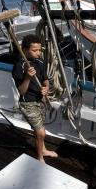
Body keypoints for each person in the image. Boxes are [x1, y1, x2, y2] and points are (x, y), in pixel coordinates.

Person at [12, 34, 58, 162]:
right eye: (34, 50)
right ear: (25, 50)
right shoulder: (19, 66)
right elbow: (21, 91)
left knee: (40, 127)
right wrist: (27, 77)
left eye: (39, 50)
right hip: (28, 103)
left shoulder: (40, 62)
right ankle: (40, 158)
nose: (38, 53)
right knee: (41, 132)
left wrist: (46, 88)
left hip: (40, 100)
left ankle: (43, 150)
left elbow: (45, 80)